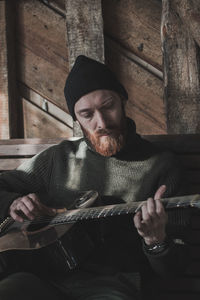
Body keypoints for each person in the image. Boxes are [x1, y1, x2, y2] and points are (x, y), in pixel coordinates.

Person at [0, 55, 188, 300]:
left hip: (113, 286)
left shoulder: (163, 166)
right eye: (87, 114)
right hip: (43, 278)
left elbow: (175, 268)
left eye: (108, 106)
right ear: (76, 119)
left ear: (122, 101)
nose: (101, 123)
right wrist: (12, 202)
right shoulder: (58, 159)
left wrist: (156, 240)